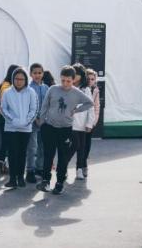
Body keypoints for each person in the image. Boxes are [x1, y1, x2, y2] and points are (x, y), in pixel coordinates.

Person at [37, 65, 95, 195]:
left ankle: (59, 183)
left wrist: (76, 110)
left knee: (63, 157)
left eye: (68, 81)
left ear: (73, 80)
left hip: (66, 129)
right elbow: (44, 105)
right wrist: (42, 123)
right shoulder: (53, 89)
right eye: (62, 80)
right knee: (48, 155)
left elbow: (90, 103)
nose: (65, 83)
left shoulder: (76, 93)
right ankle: (45, 181)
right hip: (50, 127)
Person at [1, 67, 38, 188]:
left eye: (22, 79)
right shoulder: (7, 92)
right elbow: (3, 108)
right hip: (11, 128)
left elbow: (34, 109)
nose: (19, 81)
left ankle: (20, 177)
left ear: (26, 80)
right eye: (16, 79)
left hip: (26, 128)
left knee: (22, 153)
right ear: (13, 79)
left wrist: (27, 122)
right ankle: (12, 179)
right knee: (12, 153)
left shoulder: (31, 92)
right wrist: (13, 120)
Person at [71, 64, 97, 181]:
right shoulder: (67, 86)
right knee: (71, 147)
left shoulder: (86, 89)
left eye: (77, 74)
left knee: (81, 148)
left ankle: (79, 169)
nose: (75, 76)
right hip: (69, 124)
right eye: (73, 73)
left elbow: (91, 107)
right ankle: (63, 167)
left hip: (82, 124)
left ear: (81, 76)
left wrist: (89, 123)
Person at [26, 63, 49, 183]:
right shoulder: (28, 89)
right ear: (30, 74)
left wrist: (43, 119)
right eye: (35, 73)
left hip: (44, 122)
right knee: (32, 147)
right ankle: (30, 170)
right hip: (33, 123)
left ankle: (40, 168)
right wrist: (36, 119)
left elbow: (48, 104)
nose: (37, 75)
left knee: (43, 146)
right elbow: (29, 106)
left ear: (43, 74)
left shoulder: (46, 88)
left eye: (39, 73)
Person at [0, 64, 19, 176]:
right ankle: (2, 165)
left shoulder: (5, 84)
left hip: (4, 117)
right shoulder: (6, 86)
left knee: (6, 142)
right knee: (7, 142)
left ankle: (1, 165)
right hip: (6, 117)